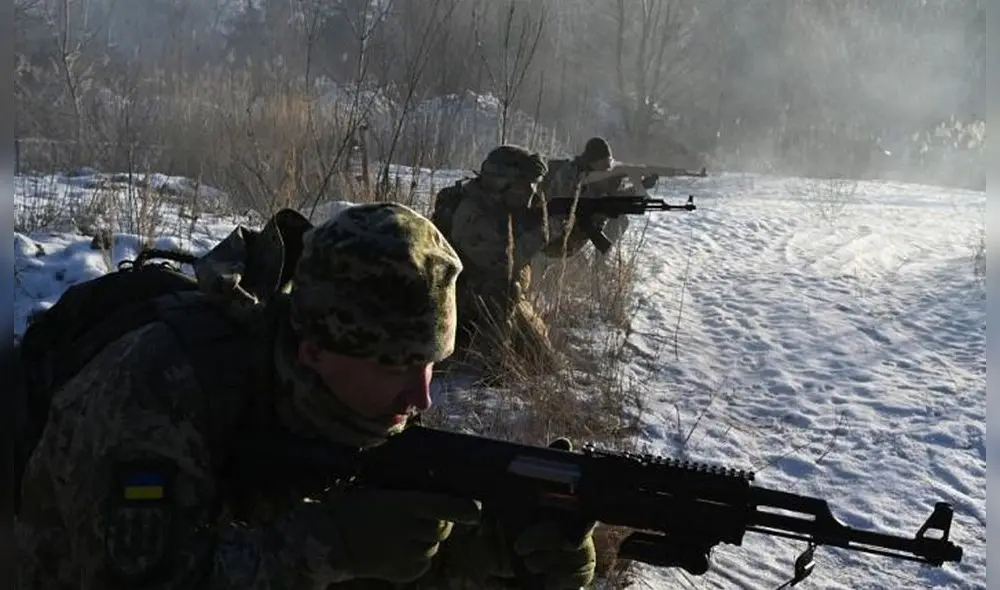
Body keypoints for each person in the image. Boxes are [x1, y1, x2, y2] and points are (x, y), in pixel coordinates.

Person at [14, 202, 597, 589]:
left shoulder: (353, 405)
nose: (421, 397)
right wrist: (330, 544)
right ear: (314, 349)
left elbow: (375, 559)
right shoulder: (154, 393)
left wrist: (496, 555)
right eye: (396, 364)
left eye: (430, 364)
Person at [431, 145, 607, 372]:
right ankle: (489, 363)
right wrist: (545, 230)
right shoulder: (472, 210)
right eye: (525, 186)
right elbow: (502, 263)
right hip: (460, 301)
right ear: (501, 183)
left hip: (499, 300)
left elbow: (557, 250)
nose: (532, 192)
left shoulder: (511, 208)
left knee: (543, 359)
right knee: (505, 289)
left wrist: (582, 228)